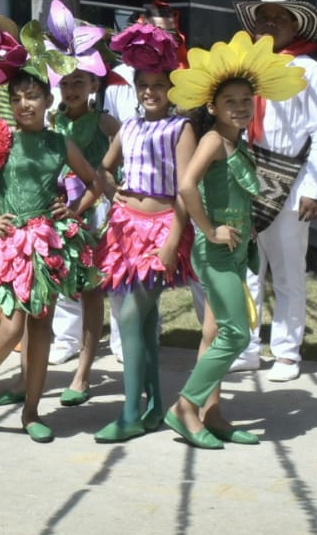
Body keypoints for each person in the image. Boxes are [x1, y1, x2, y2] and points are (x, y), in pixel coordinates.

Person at [0, 64, 107, 443]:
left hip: (47, 245)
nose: (23, 104)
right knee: (12, 326)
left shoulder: (59, 143)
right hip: (10, 244)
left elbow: (95, 181)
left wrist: (75, 208)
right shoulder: (1, 139)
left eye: (32, 96)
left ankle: (31, 412)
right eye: (16, 98)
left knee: (40, 330)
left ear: (48, 101)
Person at [165, 31, 306, 448]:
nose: (240, 108)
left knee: (212, 335)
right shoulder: (212, 139)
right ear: (213, 106)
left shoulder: (235, 142)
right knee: (237, 335)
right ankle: (184, 407)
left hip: (235, 251)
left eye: (246, 101)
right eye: (231, 102)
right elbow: (187, 186)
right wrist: (208, 229)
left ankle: (213, 414)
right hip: (215, 252)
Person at [87, 24, 194, 441]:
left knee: (129, 318)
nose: (150, 91)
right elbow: (104, 169)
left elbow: (185, 189)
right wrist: (115, 195)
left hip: (164, 228)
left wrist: (171, 243)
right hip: (126, 230)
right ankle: (151, 406)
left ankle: (130, 413)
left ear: (171, 87)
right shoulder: (128, 128)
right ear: (134, 87)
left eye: (158, 85)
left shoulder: (180, 128)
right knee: (144, 321)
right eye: (143, 85)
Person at [231, 0, 317, 382]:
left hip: (291, 181)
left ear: (295, 25)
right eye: (264, 17)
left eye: (279, 18)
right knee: (247, 268)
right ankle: (245, 346)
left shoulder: (312, 72)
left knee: (289, 270)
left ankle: (287, 353)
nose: (270, 24)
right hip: (246, 178)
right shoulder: (245, 70)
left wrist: (316, 188)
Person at [49, 66, 119, 379]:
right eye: (65, 82)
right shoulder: (53, 121)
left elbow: (123, 155)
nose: (72, 88)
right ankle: (66, 338)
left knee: (104, 275)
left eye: (79, 81)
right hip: (64, 205)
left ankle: (119, 340)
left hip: (98, 205)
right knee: (65, 272)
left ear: (93, 84)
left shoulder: (104, 121)